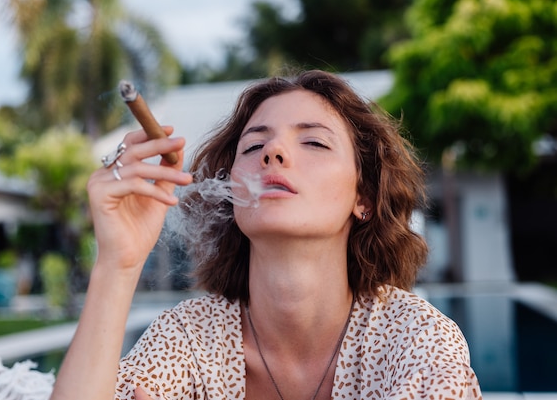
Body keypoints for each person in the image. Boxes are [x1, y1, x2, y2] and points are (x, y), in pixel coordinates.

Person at [50, 70, 482, 400]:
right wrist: (117, 263)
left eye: (314, 143)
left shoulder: (414, 338)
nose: (273, 153)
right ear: (231, 190)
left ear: (364, 197)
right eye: (254, 147)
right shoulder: (189, 337)